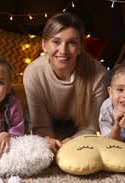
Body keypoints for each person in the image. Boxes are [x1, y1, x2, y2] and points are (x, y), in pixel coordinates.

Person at [23, 12, 109, 154]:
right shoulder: (33, 73)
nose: (63, 50)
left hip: (79, 115)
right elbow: (41, 126)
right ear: (44, 45)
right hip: (51, 114)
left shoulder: (98, 74)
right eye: (56, 42)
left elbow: (89, 128)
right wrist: (50, 141)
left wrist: (72, 142)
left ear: (81, 47)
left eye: (72, 43)